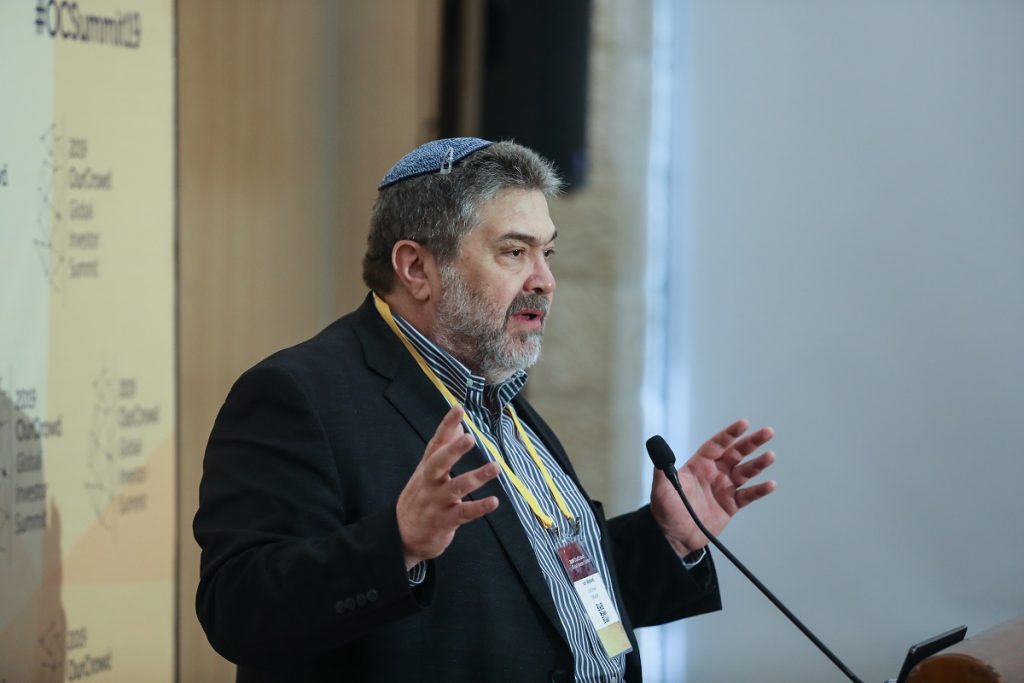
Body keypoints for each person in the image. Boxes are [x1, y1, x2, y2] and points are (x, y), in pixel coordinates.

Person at [194, 138, 777, 682]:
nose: (545, 280)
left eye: (546, 252)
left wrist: (665, 539)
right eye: (514, 252)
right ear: (417, 268)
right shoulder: (298, 396)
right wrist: (396, 543)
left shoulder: (498, 391)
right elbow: (239, 610)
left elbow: (536, 590)